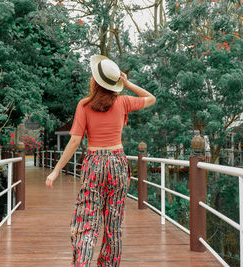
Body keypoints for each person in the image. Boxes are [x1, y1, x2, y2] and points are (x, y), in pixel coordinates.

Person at [45, 55, 156, 266]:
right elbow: (151, 98)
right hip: (118, 163)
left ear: (95, 81)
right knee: (113, 222)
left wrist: (56, 170)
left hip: (94, 163)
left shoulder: (84, 105)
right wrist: (128, 83)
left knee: (87, 219)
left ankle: (83, 263)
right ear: (113, 83)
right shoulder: (123, 101)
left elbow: (75, 141)